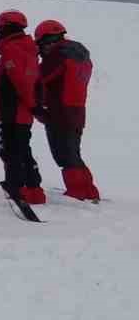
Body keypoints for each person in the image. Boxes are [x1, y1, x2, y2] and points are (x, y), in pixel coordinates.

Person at [34, 20, 100, 201]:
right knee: (72, 152)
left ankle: (78, 191)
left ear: (48, 40)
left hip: (59, 111)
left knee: (64, 155)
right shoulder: (80, 55)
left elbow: (40, 78)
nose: (41, 49)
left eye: (40, 44)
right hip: (77, 110)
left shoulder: (58, 56)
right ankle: (88, 190)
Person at [0, 10, 46, 205]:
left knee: (10, 150)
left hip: (12, 110)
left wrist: (32, 105)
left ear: (6, 29)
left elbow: (21, 81)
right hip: (19, 110)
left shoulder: (13, 49)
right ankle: (32, 188)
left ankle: (18, 187)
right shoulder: (26, 49)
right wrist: (34, 106)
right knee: (21, 149)